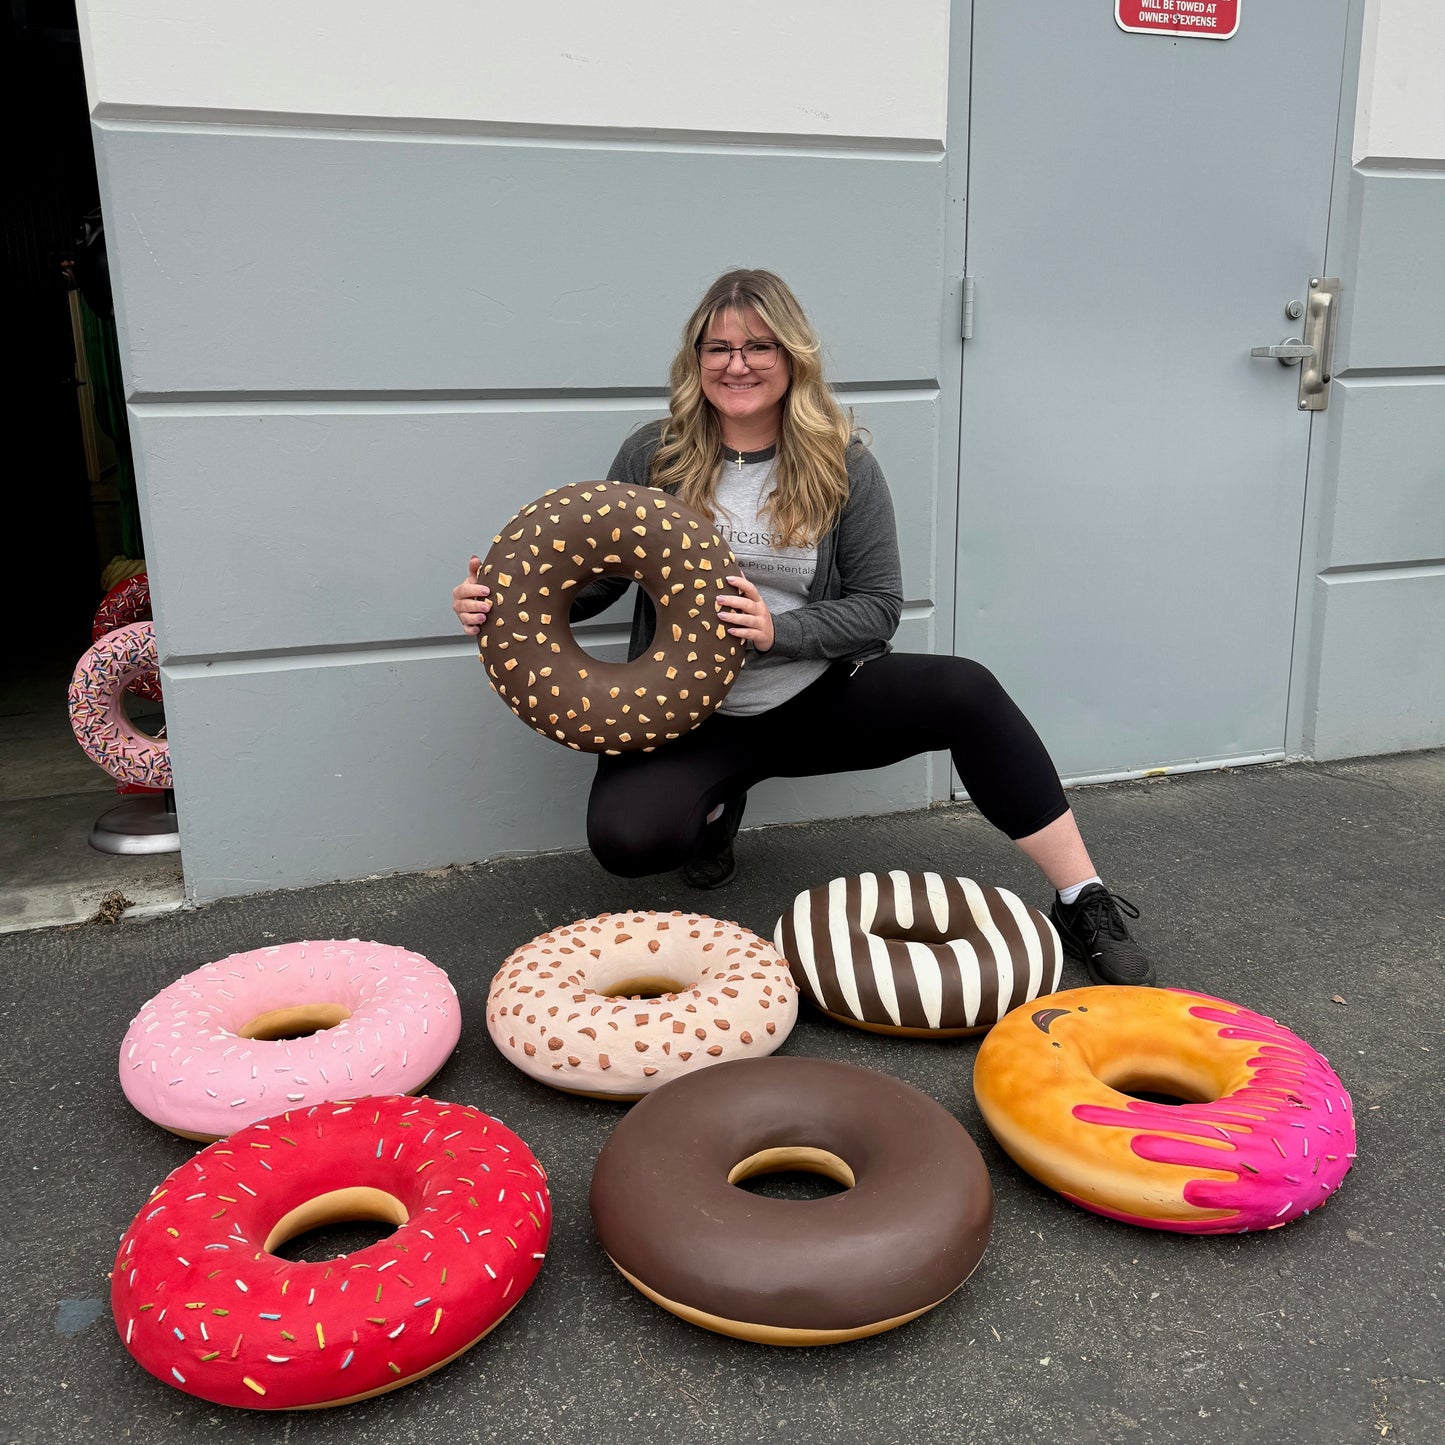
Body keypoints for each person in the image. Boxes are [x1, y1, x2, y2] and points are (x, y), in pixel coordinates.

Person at [453, 269, 1155, 986]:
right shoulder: (653, 455)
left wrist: (776, 632)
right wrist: (500, 605)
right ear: (695, 359)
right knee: (627, 842)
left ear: (792, 356)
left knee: (967, 690)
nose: (737, 364)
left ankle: (1082, 898)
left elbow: (878, 604)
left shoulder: (842, 462)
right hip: (691, 718)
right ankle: (714, 809)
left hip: (811, 695)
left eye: (758, 345)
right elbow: (599, 578)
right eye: (717, 347)